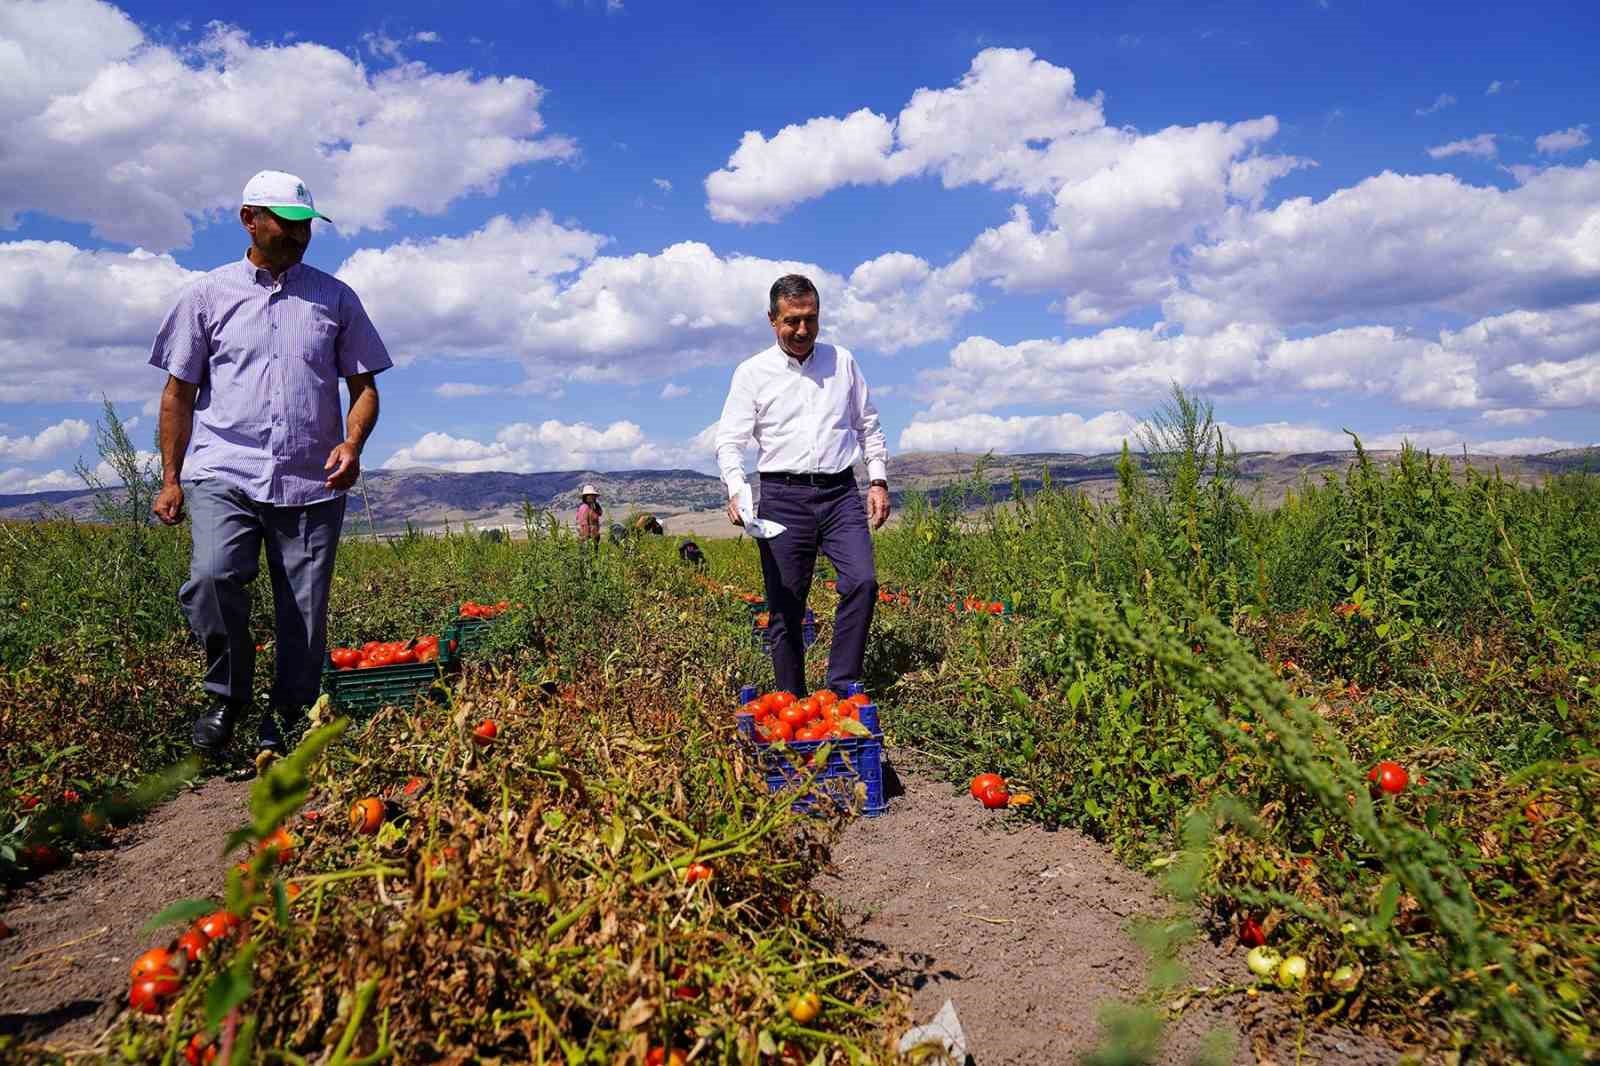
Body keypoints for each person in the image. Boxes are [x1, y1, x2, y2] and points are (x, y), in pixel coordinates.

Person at [149, 169, 393, 756]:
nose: (299, 235)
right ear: (249, 219)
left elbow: (364, 388)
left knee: (304, 610)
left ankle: (286, 713)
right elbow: (178, 394)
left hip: (313, 477)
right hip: (224, 469)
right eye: (287, 223)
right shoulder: (205, 295)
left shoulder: (336, 298)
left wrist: (352, 444)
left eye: (306, 225)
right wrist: (171, 478)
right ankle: (226, 697)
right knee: (212, 577)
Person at [715, 274, 889, 698]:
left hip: (840, 494)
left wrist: (878, 479)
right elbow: (730, 441)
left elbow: (868, 424)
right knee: (786, 606)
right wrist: (738, 489)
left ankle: (841, 685)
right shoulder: (753, 373)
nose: (803, 330)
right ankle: (791, 703)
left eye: (811, 319)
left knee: (862, 582)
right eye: (792, 321)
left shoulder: (842, 361)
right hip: (782, 498)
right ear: (772, 320)